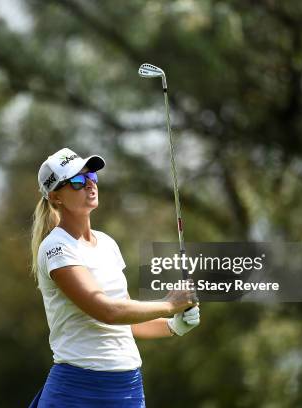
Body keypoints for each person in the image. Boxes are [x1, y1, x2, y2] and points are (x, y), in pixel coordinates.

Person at [29, 147, 200, 407]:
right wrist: (169, 304)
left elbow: (127, 319)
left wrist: (173, 325)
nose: (88, 185)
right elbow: (106, 311)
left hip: (127, 389)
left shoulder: (107, 243)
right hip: (76, 390)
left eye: (91, 177)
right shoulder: (56, 248)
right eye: (76, 181)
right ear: (55, 197)